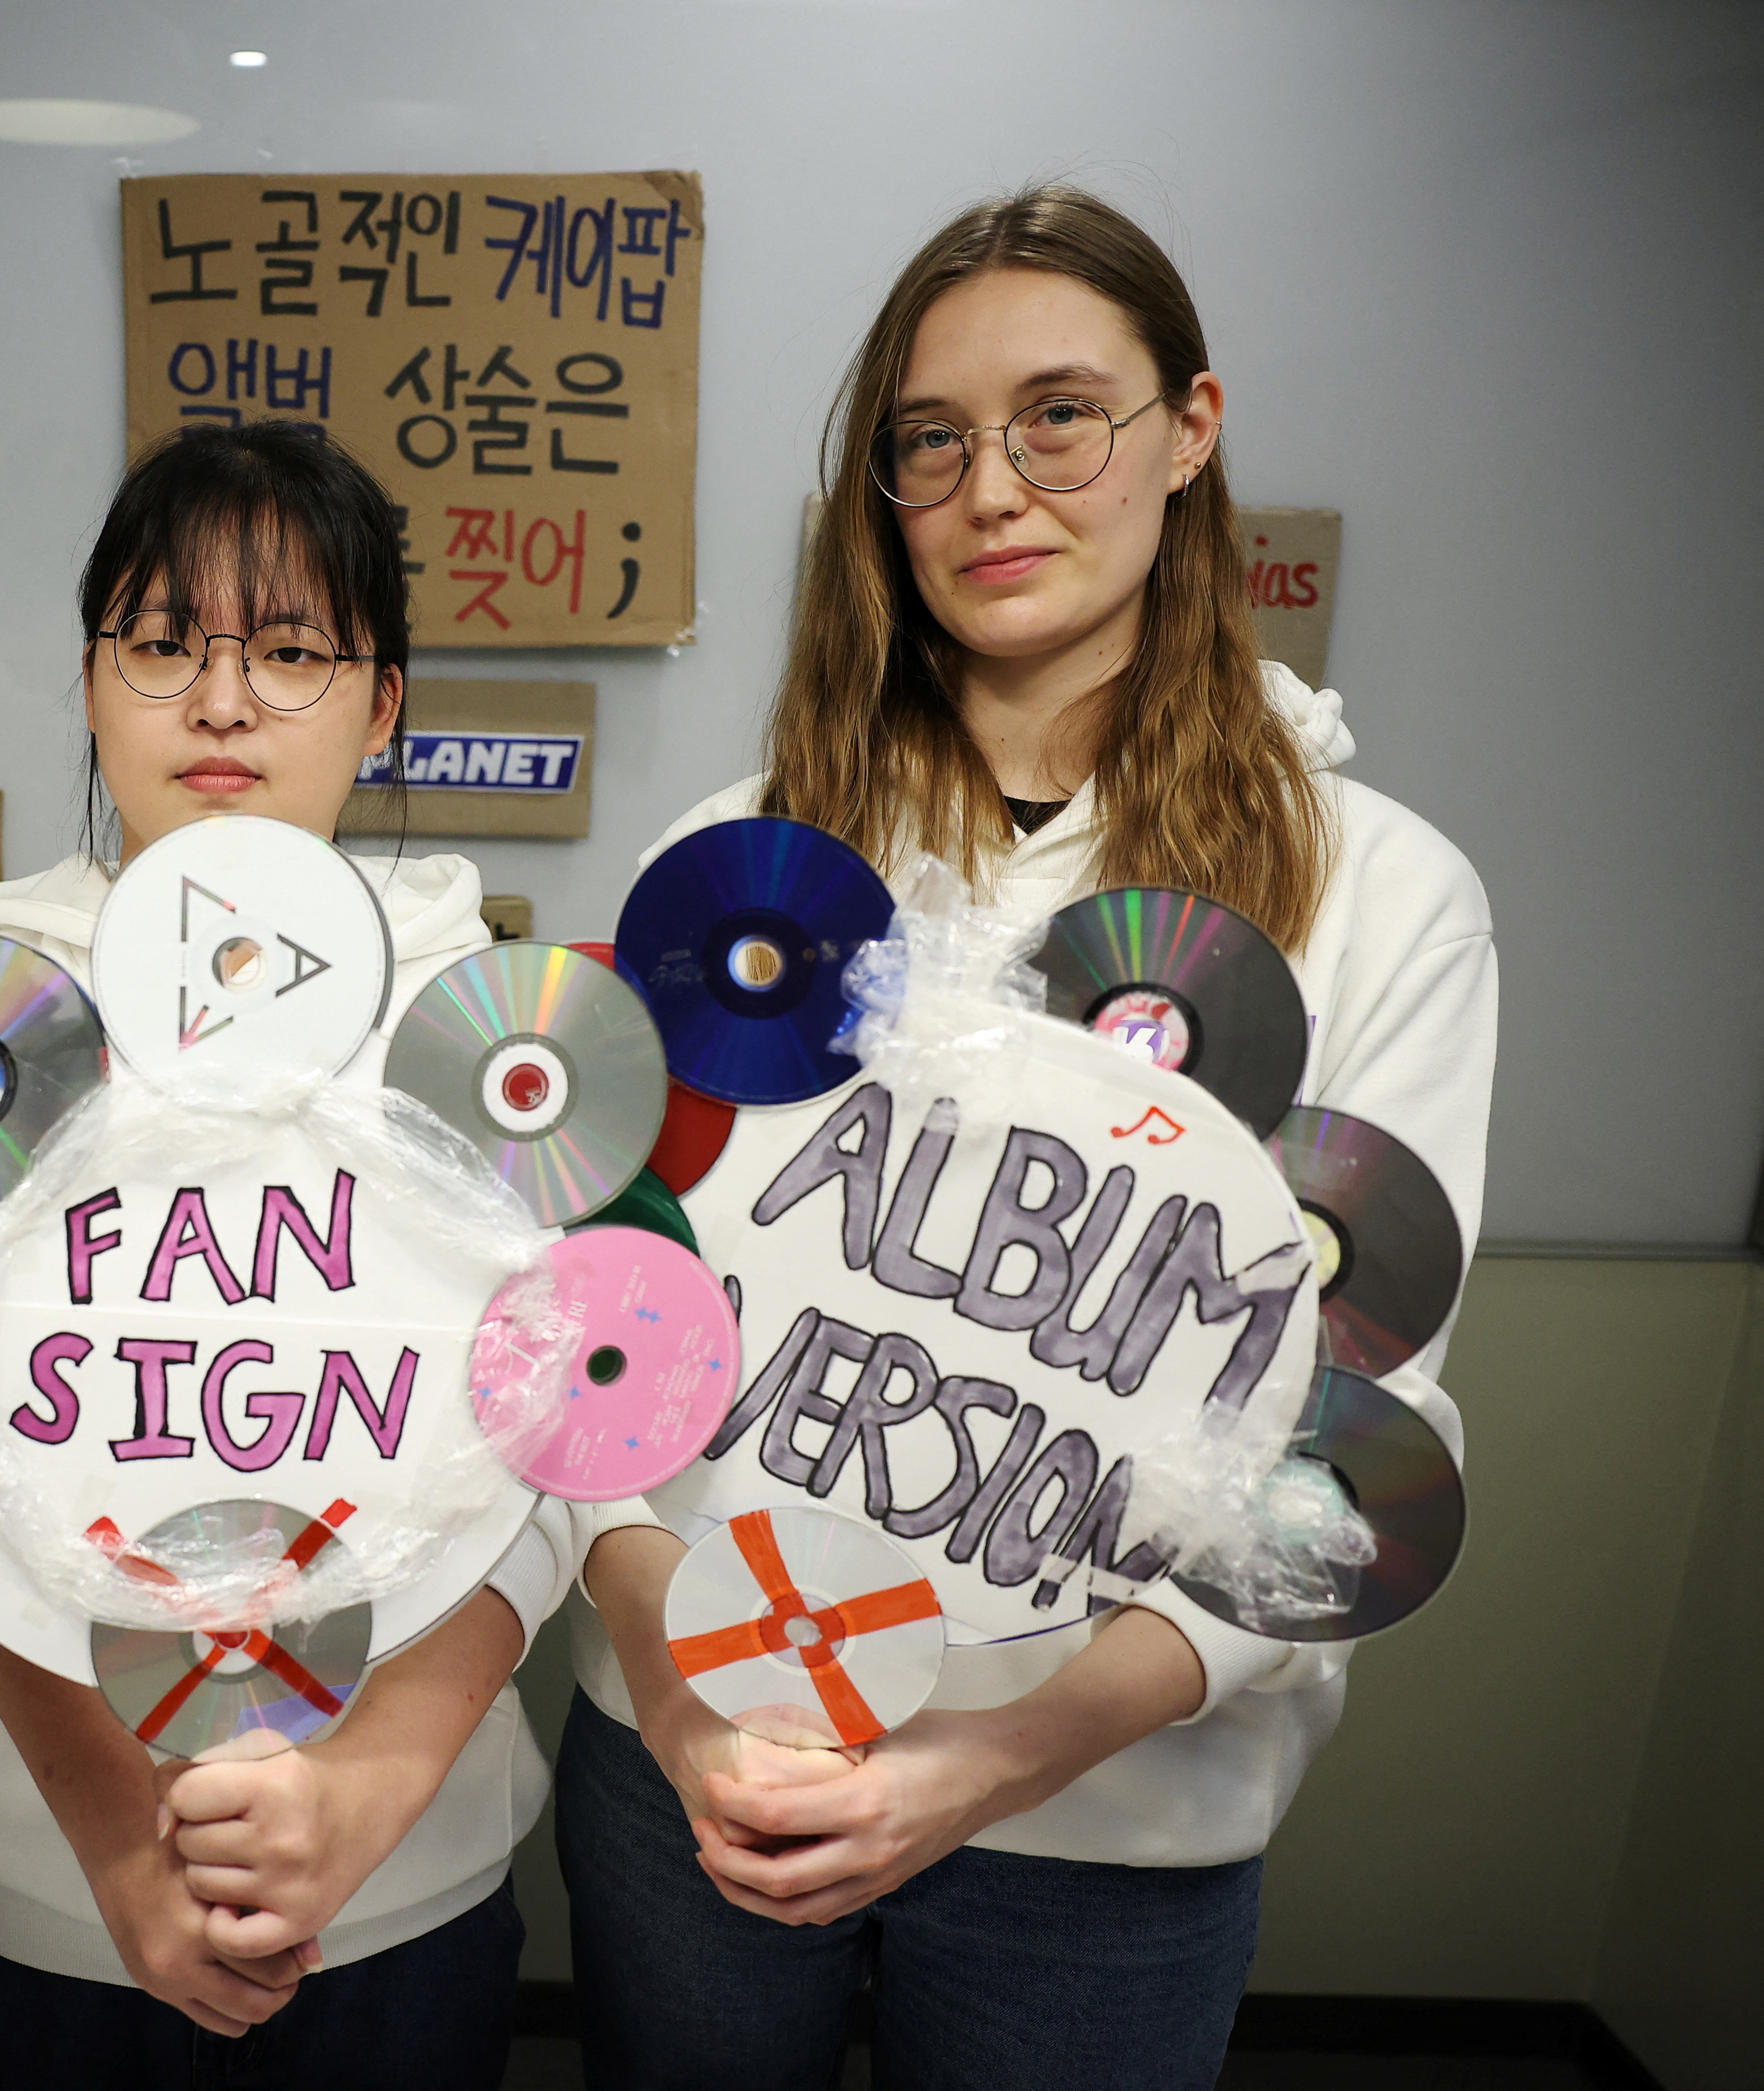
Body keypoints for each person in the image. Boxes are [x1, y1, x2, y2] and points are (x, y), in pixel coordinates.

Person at [556, 187, 1497, 2090]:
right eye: (931, 439)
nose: (994, 486)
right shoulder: (737, 868)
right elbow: (596, 1308)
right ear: (880, 492)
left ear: (1187, 430)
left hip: (1108, 1826)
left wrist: (996, 1754)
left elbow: (1356, 1437)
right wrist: (669, 1689)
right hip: (702, 1763)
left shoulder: (1374, 892)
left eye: (1058, 413)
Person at [0, 419, 602, 2089]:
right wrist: (124, 1849)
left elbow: (562, 1445)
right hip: (36, 1882)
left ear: (382, 699)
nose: (221, 698)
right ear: (93, 675)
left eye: (288, 649)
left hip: (402, 1885)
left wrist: (369, 1790)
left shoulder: (487, 1028)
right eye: (164, 643)